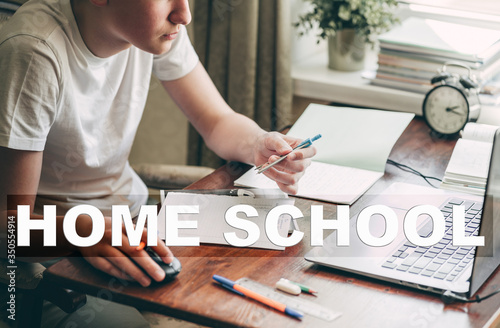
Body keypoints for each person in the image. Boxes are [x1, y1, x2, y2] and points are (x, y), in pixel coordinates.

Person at [0, 0, 315, 326]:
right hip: (54, 262)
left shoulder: (156, 29)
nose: (185, 15)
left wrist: (258, 143)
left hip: (138, 227)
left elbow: (216, 119)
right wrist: (83, 232)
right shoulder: (34, 52)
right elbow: (7, 227)